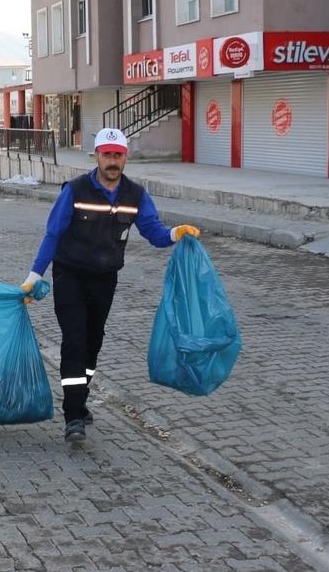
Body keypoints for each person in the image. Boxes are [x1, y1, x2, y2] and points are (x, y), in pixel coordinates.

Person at [23, 127, 200, 443]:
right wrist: (34, 276)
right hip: (70, 276)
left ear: (125, 157)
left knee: (93, 342)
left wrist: (176, 234)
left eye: (118, 155)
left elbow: (153, 231)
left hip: (105, 279)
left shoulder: (136, 195)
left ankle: (81, 394)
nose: (112, 161)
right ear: (97, 156)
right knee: (75, 341)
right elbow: (53, 234)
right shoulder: (75, 191)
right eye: (107, 155)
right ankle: (74, 414)